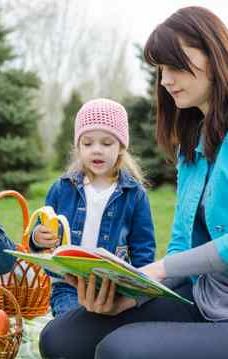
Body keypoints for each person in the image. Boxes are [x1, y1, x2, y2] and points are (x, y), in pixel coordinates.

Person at [39, 6, 228, 359]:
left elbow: (170, 262)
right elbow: (180, 245)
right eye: (160, 69)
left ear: (214, 54)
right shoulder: (194, 146)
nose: (166, 80)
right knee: (60, 338)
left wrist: (157, 269)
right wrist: (134, 294)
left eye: (175, 65)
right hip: (201, 299)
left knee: (118, 351)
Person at [30, 98, 155, 317]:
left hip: (113, 288)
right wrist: (38, 238)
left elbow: (143, 249)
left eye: (107, 143)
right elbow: (42, 235)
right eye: (88, 143)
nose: (97, 150)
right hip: (69, 286)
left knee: (109, 328)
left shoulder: (134, 195)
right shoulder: (62, 188)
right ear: (78, 146)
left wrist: (137, 293)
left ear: (121, 147)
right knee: (73, 325)